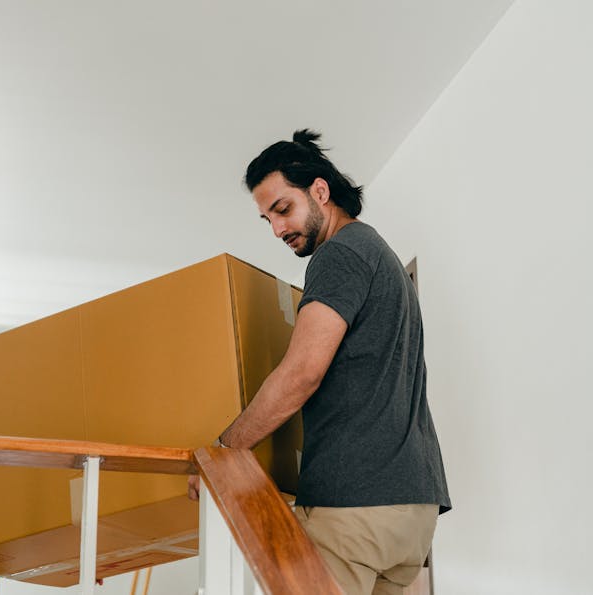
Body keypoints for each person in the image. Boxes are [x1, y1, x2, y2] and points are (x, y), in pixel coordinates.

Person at [189, 130, 451, 595]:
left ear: (320, 191)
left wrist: (225, 455)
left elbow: (302, 372)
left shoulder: (340, 255)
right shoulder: (381, 257)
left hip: (353, 507)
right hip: (413, 511)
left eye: (283, 209)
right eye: (267, 218)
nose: (277, 229)